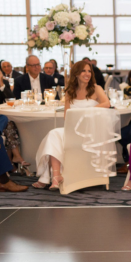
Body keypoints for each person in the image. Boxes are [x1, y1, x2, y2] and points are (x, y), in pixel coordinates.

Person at [33, 61, 110, 190]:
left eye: (89, 71)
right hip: (73, 129)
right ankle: (56, 176)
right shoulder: (70, 91)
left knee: (54, 134)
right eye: (83, 71)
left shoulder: (96, 89)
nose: (87, 74)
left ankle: (49, 176)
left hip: (91, 131)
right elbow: (66, 115)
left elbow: (107, 104)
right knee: (54, 134)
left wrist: (86, 112)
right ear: (76, 74)